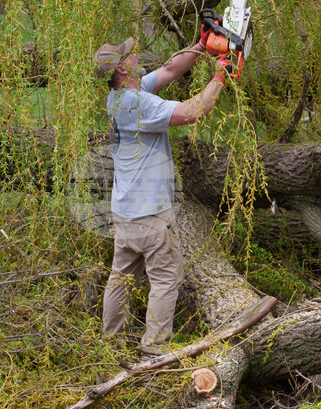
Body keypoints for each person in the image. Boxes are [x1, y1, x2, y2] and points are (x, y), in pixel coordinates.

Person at [95, 32, 228, 356]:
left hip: (125, 210)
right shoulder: (139, 104)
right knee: (167, 278)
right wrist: (222, 73)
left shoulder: (120, 97)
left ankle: (110, 345)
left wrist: (200, 46)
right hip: (150, 213)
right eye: (129, 54)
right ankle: (153, 352)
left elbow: (169, 71)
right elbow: (191, 111)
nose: (134, 54)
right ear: (123, 70)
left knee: (121, 276)